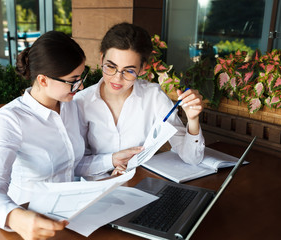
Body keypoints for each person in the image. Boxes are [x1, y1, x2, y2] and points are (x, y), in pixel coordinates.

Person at [0, 31, 88, 240]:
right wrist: (15, 217)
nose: (81, 86)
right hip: (28, 224)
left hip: (68, 216)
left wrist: (111, 161)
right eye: (73, 80)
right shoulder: (11, 118)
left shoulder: (70, 105)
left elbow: (74, 163)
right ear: (43, 80)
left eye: (82, 76)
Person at [74, 22, 205, 178]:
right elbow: (74, 165)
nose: (117, 78)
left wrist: (193, 119)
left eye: (129, 70)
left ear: (142, 68)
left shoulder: (154, 97)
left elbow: (192, 158)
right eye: (110, 66)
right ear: (102, 58)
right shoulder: (81, 101)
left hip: (140, 185)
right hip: (95, 189)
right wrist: (111, 161)